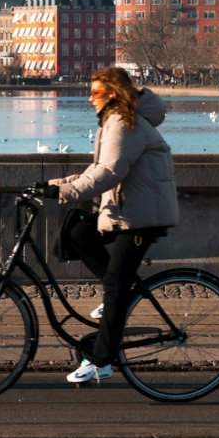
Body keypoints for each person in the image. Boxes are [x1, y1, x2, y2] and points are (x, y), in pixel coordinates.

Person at [50, 66, 180, 384]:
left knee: (115, 284)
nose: (89, 99)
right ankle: (118, 296)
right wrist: (55, 184)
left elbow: (109, 173)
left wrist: (64, 192)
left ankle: (101, 361)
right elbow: (98, 167)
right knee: (79, 233)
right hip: (128, 209)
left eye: (94, 93)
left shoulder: (123, 122)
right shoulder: (116, 119)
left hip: (139, 217)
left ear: (112, 93)